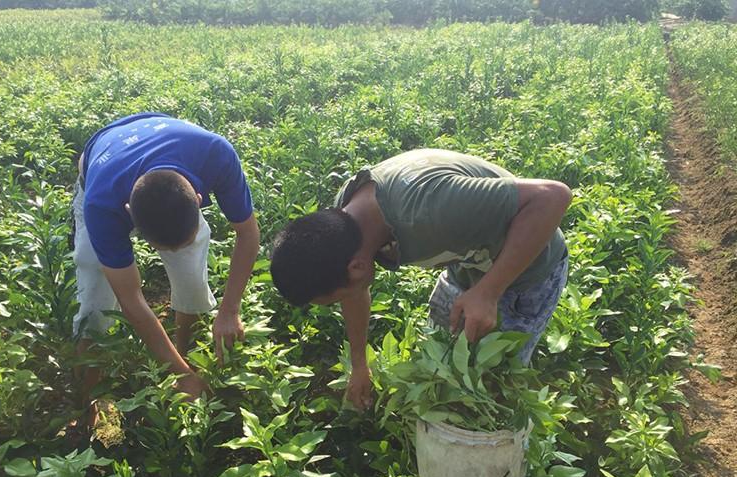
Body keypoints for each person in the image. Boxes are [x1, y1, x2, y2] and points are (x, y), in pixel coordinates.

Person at [270, 148, 570, 411]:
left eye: (335, 298)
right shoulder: (346, 220)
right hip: (466, 268)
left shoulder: (431, 209)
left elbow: (552, 197)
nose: (342, 300)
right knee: (442, 370)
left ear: (357, 267)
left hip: (525, 271)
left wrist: (489, 291)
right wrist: (360, 365)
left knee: (496, 387)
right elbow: (352, 292)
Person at [71, 112, 259, 423]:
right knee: (94, 301)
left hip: (165, 147)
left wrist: (230, 310)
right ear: (129, 214)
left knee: (191, 277)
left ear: (198, 200)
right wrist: (182, 375)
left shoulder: (217, 155)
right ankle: (92, 398)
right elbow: (131, 300)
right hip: (102, 165)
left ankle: (181, 351)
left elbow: (248, 233)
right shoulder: (101, 206)